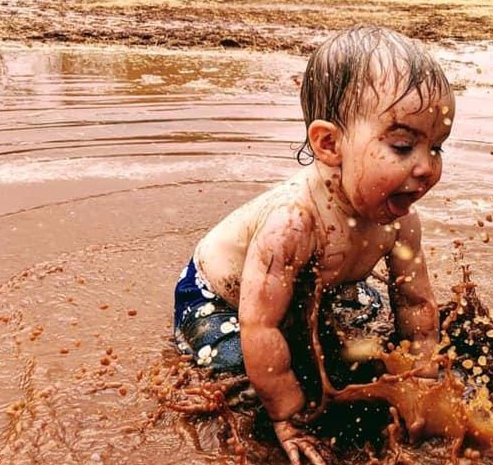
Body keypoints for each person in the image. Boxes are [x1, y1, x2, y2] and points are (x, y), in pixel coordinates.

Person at [173, 25, 455, 465]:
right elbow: (259, 327)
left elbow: (416, 306)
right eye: (403, 146)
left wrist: (424, 382)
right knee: (240, 373)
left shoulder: (401, 223)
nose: (425, 168)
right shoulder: (294, 222)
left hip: (318, 288)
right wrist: (287, 418)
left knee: (366, 328)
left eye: (436, 148)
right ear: (329, 144)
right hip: (220, 299)